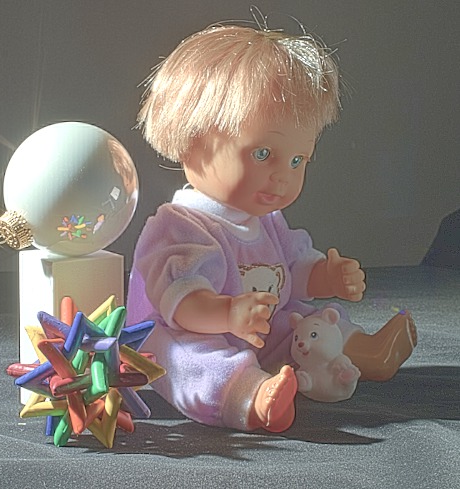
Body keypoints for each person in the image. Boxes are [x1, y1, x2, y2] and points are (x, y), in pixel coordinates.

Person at [126, 23, 417, 432]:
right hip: (187, 329)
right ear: (194, 142)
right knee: (185, 356)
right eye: (263, 154)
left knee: (306, 318)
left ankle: (359, 352)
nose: (283, 176)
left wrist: (325, 275)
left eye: (298, 161)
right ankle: (248, 396)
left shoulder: (267, 221)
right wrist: (227, 313)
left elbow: (292, 272)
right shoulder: (179, 227)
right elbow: (184, 303)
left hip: (261, 327)